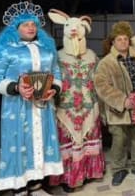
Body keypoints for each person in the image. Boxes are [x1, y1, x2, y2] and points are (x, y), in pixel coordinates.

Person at [0, 1, 63, 196]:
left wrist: (54, 87)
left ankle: (36, 185)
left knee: (41, 142)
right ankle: (19, 187)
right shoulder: (7, 49)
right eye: (25, 24)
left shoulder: (46, 49)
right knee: (19, 144)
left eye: (33, 24)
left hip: (43, 107)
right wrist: (14, 88)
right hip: (16, 109)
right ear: (16, 28)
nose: (31, 27)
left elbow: (56, 72)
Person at [47, 10, 105, 192]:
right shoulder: (57, 56)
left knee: (88, 139)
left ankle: (87, 173)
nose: (74, 31)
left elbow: (99, 80)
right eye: (69, 27)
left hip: (89, 106)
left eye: (78, 27)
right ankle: (68, 178)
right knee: (67, 141)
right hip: (65, 108)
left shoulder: (92, 55)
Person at [94, 21, 135, 187]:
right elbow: (102, 86)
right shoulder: (106, 62)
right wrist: (123, 100)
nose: (123, 42)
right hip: (118, 111)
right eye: (119, 39)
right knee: (119, 140)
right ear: (113, 42)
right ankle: (119, 169)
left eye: (125, 39)